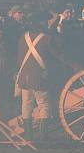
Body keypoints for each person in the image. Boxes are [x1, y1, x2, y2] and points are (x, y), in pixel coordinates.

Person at [15, 12, 75, 140]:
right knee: (44, 104)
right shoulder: (47, 39)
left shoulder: (23, 37)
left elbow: (20, 59)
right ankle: (43, 135)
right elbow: (59, 55)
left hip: (25, 77)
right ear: (41, 23)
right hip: (39, 77)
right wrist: (75, 66)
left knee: (26, 104)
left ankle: (28, 135)